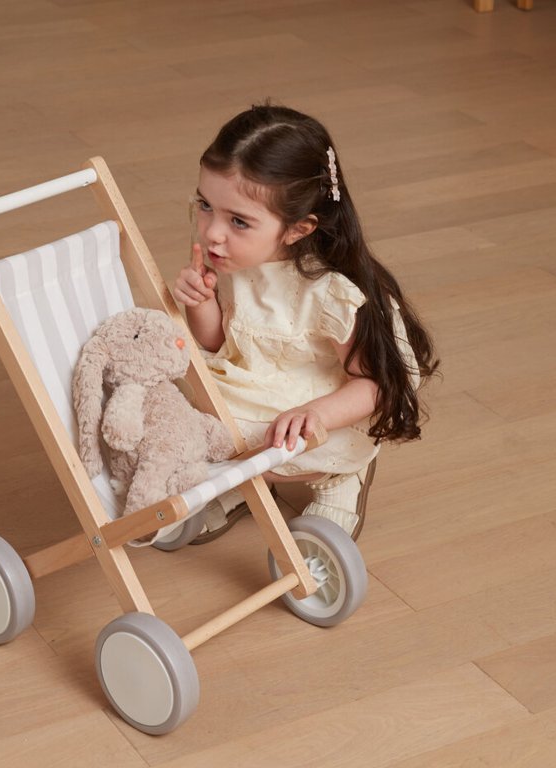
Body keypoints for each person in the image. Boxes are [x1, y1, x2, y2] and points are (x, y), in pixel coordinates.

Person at [171, 104, 439, 543]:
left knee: (262, 433)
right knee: (186, 406)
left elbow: (374, 384)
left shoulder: (330, 292)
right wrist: (201, 304)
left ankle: (340, 477)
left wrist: (316, 414)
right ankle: (245, 480)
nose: (212, 232)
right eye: (205, 205)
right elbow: (220, 343)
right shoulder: (232, 252)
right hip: (252, 380)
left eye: (238, 221)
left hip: (322, 404)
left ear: (298, 229)